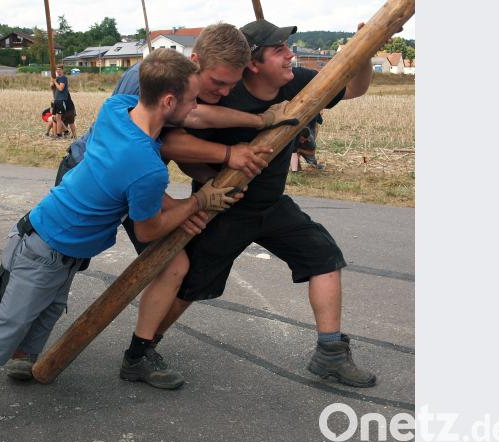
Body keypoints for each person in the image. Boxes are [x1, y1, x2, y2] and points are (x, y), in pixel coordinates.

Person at [0, 49, 242, 442]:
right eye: (192, 100)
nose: (196, 108)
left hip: (45, 245)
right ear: (169, 101)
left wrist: (187, 204)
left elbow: (137, 189)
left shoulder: (117, 110)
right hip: (43, 254)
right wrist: (198, 201)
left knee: (2, 333)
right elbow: (151, 228)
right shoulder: (148, 167)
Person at [43, 23, 295, 389]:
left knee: (172, 263)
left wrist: (190, 201)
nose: (223, 94)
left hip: (135, 181)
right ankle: (23, 346)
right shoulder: (148, 79)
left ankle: (139, 356)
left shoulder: (190, 87)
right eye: (218, 84)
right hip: (90, 174)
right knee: (56, 262)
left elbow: (170, 148)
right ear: (195, 63)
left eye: (230, 86)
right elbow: (138, 151)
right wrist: (218, 169)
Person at [155, 19, 378, 388]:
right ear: (252, 63)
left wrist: (365, 52)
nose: (291, 55)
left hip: (272, 205)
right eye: (279, 50)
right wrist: (219, 168)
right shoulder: (224, 94)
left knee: (324, 256)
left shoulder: (300, 82)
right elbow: (176, 146)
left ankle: (330, 354)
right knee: (190, 285)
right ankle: (143, 347)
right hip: (224, 207)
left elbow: (354, 88)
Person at [50, 65, 70, 137]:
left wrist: (55, 82)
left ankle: (59, 134)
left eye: (59, 69)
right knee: (55, 118)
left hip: (62, 100)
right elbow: (52, 87)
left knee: (58, 117)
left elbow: (61, 88)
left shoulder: (63, 78)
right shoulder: (57, 78)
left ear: (62, 70)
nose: (58, 71)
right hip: (56, 100)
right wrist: (52, 81)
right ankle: (66, 131)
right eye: (57, 69)